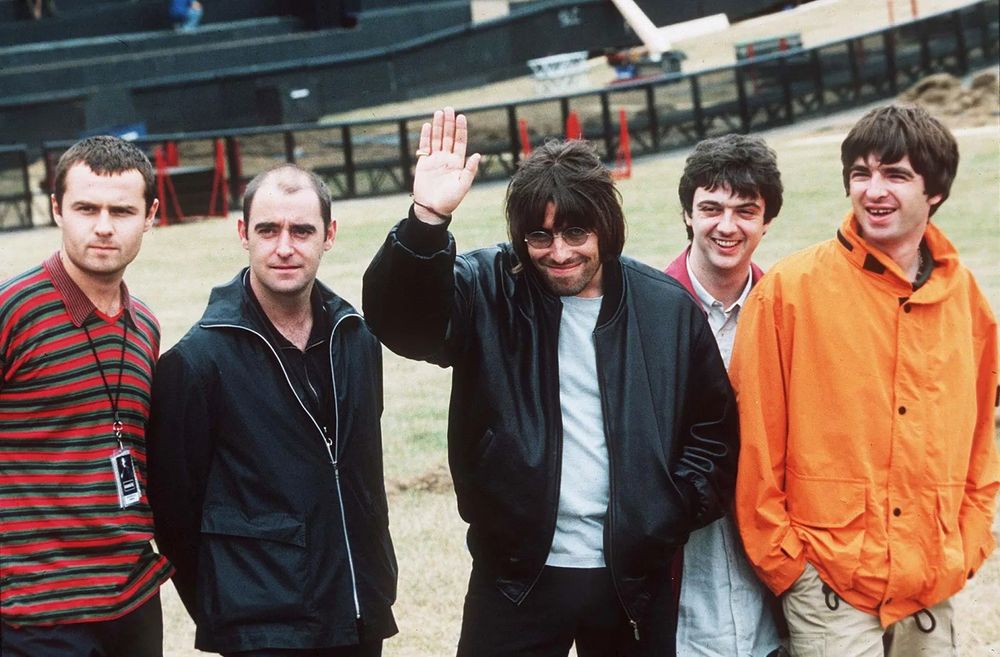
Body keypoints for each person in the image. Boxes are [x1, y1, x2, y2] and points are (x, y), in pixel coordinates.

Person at [363, 107, 739, 657]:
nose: (559, 253)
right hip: (515, 574)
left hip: (631, 577)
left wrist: (668, 507)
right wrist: (426, 219)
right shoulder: (487, 286)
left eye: (575, 232)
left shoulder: (665, 308)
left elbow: (714, 431)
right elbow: (403, 323)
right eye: (540, 236)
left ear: (604, 226)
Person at [731, 104, 998, 656]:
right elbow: (751, 445)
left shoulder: (966, 301)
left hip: (930, 583)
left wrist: (966, 546)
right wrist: (791, 567)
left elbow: (980, 444)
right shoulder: (789, 291)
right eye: (862, 173)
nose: (874, 190)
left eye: (896, 175)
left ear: (935, 192)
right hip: (828, 586)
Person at [147, 164, 397, 657]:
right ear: (244, 234)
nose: (285, 247)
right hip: (262, 630)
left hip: (358, 611)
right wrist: (234, 605)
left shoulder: (357, 339)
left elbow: (359, 473)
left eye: (302, 230)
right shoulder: (196, 362)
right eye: (268, 230)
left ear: (329, 235)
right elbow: (175, 514)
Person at [0, 135, 171, 656]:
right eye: (85, 208)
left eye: (121, 210)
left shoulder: (144, 325)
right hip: (36, 612)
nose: (102, 226)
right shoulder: (13, 311)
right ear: (56, 209)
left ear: (150, 216)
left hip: (133, 598)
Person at [664, 134, 783, 657]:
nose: (727, 226)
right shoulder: (648, 308)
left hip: (772, 553)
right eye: (710, 208)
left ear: (767, 220)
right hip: (681, 564)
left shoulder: (786, 308)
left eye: (745, 210)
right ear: (688, 214)